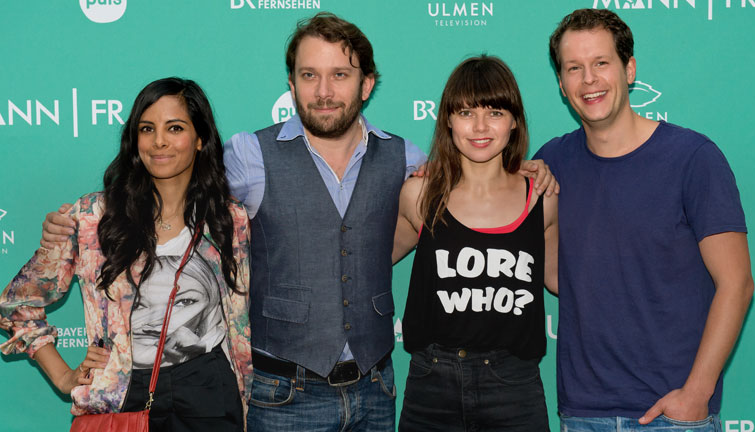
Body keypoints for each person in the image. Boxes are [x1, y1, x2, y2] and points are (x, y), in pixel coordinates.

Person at [40, 12, 556, 432]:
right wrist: (79, 224)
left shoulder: (404, 159)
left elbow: (470, 178)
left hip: (377, 393)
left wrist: (529, 167)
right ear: (292, 84)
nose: (324, 90)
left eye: (341, 75)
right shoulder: (248, 155)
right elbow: (174, 183)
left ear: (367, 83)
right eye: (310, 75)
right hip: (282, 395)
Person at [534, 8, 754, 431]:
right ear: (561, 84)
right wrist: (436, 169)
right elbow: (561, 278)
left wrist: (696, 393)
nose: (589, 80)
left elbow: (737, 283)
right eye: (574, 68)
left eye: (601, 63)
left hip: (673, 415)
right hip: (583, 412)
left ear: (629, 69)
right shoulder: (552, 162)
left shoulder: (694, 158)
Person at [0, 77, 252, 431]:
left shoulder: (230, 218)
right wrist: (63, 377)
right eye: (147, 129)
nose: (159, 141)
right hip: (121, 390)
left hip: (208, 389)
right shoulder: (92, 217)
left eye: (175, 127)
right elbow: (18, 304)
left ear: (200, 140)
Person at [393, 55, 558, 431]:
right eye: (466, 112)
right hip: (431, 384)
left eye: (495, 112)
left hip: (513, 388)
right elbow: (360, 260)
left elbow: (563, 279)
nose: (480, 126)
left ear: (514, 120)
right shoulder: (419, 195)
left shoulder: (543, 198)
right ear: (448, 120)